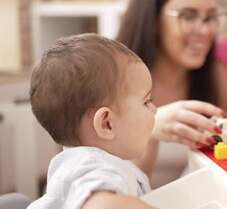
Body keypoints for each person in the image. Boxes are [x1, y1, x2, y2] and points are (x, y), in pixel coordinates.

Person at [116, 0, 227, 188]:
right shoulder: (110, 81)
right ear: (152, 19)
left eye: (210, 17)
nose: (205, 30)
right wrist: (149, 130)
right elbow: (119, 193)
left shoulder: (219, 79)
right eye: (188, 16)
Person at [28, 33, 158, 208]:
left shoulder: (103, 162)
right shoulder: (90, 165)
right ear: (106, 123)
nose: (155, 109)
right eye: (146, 101)